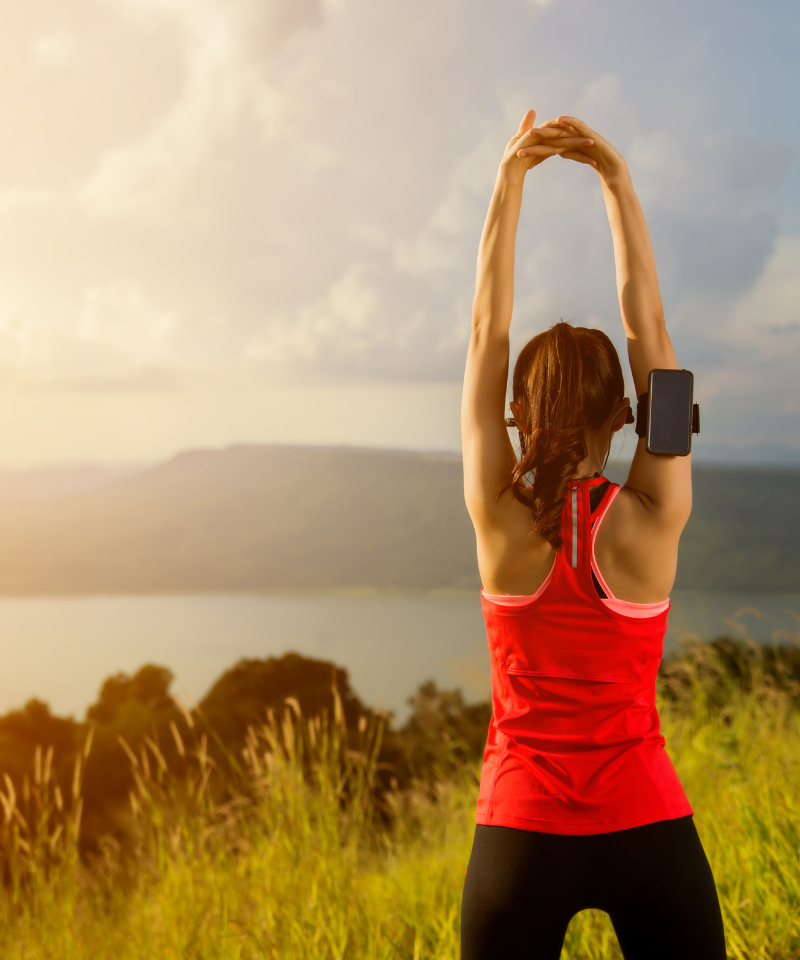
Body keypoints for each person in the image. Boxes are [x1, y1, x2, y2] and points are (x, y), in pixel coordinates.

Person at [459, 110, 727, 959]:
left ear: (513, 417)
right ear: (629, 414)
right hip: (645, 822)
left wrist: (509, 179)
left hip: (517, 833)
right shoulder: (655, 515)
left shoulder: (496, 514)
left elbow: (484, 338)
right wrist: (615, 178)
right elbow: (652, 336)